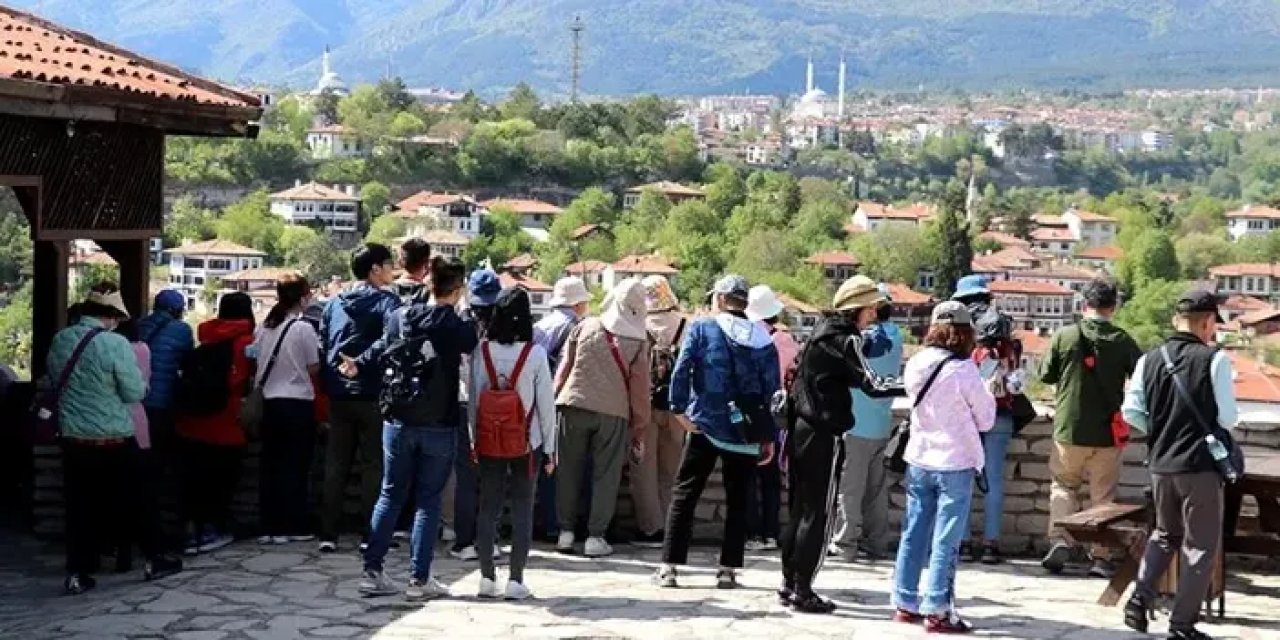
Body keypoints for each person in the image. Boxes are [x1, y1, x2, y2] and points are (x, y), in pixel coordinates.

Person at [349, 257, 479, 600]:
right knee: (428, 500)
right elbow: (472, 343)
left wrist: (356, 364)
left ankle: (371, 571)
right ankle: (419, 580)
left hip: (398, 418)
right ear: (458, 288)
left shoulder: (399, 316)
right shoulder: (454, 324)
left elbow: (380, 349)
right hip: (438, 421)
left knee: (389, 494)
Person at [780, 276, 904, 614]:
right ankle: (804, 588)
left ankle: (789, 582)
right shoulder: (846, 340)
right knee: (818, 513)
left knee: (800, 508)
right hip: (824, 430)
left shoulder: (820, 333)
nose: (875, 316)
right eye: (872, 309)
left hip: (802, 427)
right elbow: (873, 384)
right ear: (860, 309)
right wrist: (914, 386)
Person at [1121, 290, 1236, 640]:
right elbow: (1228, 417)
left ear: (1176, 320)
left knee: (1164, 534)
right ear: (1207, 322)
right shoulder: (1215, 360)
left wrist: (1162, 428)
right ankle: (1182, 624)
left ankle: (1139, 600)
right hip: (1199, 465)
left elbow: (1131, 412)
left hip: (1160, 463)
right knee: (1200, 544)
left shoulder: (1149, 359)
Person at [51, 290, 182, 595]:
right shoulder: (115, 343)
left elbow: (57, 380)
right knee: (140, 500)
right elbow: (133, 392)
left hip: (73, 436)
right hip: (114, 435)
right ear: (110, 317)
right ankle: (154, 558)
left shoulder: (61, 340)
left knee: (80, 508)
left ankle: (78, 572)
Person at [655, 275, 780, 589]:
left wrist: (679, 410)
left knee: (685, 494)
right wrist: (768, 437)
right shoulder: (764, 339)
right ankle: (728, 570)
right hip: (746, 432)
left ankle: (669, 567)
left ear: (722, 299)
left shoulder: (701, 328)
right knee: (739, 500)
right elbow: (772, 392)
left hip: (706, 424)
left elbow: (682, 371)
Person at [892, 301, 996, 633]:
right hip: (955, 459)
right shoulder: (964, 370)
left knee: (913, 530)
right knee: (946, 537)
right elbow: (986, 418)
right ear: (965, 332)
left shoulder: (917, 363)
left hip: (920, 455)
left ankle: (905, 600)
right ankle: (937, 606)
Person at [1038, 278, 1142, 577]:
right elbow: (1142, 378)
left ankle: (1060, 539)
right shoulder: (1123, 341)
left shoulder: (1065, 335)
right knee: (1104, 496)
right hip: (1108, 431)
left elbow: (1045, 374)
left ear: (1085, 304)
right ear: (1114, 307)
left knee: (1063, 485)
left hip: (1069, 428)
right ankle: (1100, 556)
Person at [468, 287, 556, 600]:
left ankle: (486, 576)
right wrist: (550, 448)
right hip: (525, 440)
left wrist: (473, 439)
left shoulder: (483, 351)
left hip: (490, 439)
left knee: (487, 507)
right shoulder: (534, 354)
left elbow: (474, 401)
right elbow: (546, 405)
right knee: (522, 509)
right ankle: (516, 579)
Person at [553, 277, 651, 558]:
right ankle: (596, 536)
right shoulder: (637, 340)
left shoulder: (585, 326)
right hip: (613, 412)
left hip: (572, 404)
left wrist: (553, 401)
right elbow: (640, 392)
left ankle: (566, 532)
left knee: (568, 470)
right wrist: (640, 428)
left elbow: (564, 369)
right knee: (605, 476)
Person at [318, 243, 402, 554]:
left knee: (335, 464)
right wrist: (364, 362)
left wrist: (335, 376)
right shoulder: (388, 303)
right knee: (373, 465)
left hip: (339, 394)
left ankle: (328, 533)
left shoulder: (334, 303)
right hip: (372, 392)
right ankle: (371, 533)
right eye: (389, 264)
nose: (393, 270)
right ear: (375, 269)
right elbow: (394, 339)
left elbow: (324, 342)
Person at [952, 274, 1025, 565]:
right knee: (993, 480)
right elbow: (1015, 379)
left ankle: (965, 541)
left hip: (967, 415)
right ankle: (991, 543)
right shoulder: (1006, 337)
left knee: (964, 479)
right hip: (1000, 414)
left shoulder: (961, 334)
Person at [175, 292, 256, 554]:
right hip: (225, 422)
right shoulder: (245, 342)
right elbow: (243, 381)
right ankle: (211, 530)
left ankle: (189, 531)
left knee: (192, 480)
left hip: (190, 421)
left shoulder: (206, 338)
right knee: (221, 480)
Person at [830, 286, 903, 563]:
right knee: (876, 491)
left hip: (856, 422)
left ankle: (845, 543)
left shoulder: (864, 340)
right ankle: (876, 544)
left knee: (850, 490)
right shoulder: (895, 337)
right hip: (881, 422)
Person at [252, 272, 322, 544]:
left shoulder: (264, 327)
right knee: (295, 465)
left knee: (270, 465)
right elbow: (313, 366)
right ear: (303, 297)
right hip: (296, 401)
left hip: (270, 401)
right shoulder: (302, 328)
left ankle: (269, 524)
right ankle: (291, 524)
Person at [532, 276, 592, 542]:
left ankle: (547, 522)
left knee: (548, 465)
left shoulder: (540, 326)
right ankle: (565, 525)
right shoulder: (576, 328)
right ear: (578, 303)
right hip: (565, 402)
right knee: (572, 468)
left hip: (538, 402)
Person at [631, 274, 688, 548]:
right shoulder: (686, 325)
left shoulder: (638, 325)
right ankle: (671, 523)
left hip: (645, 403)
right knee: (673, 468)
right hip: (678, 407)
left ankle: (650, 527)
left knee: (644, 467)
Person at [744, 284, 795, 552]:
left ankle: (752, 533)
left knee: (748, 475)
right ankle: (771, 532)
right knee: (771, 477)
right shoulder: (784, 341)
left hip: (750, 412)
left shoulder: (743, 336)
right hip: (777, 415)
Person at [136, 289, 194, 447]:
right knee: (161, 446)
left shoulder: (139, 325)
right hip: (164, 398)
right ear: (176, 310)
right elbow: (188, 362)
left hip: (137, 397)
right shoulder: (182, 330)